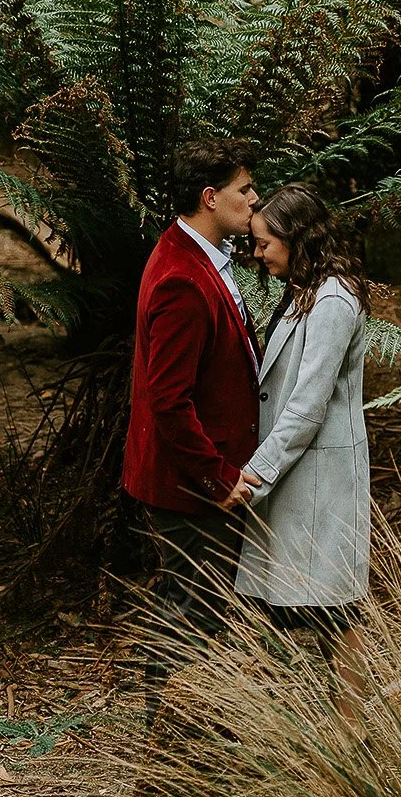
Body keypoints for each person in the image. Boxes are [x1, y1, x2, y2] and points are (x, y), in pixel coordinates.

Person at [123, 139, 265, 674]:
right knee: (193, 612)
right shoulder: (182, 278)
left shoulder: (198, 255)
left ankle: (180, 724)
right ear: (210, 197)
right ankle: (170, 732)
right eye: (244, 189)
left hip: (198, 475)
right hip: (189, 482)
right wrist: (217, 478)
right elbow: (168, 400)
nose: (254, 200)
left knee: (197, 607)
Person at [236, 183, 374, 715]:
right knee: (301, 602)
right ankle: (303, 722)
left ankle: (350, 728)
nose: (257, 253)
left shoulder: (334, 299)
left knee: (335, 606)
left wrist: (256, 472)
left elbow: (307, 405)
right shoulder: (306, 290)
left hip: (319, 476)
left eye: (264, 243)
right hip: (299, 472)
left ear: (296, 239)